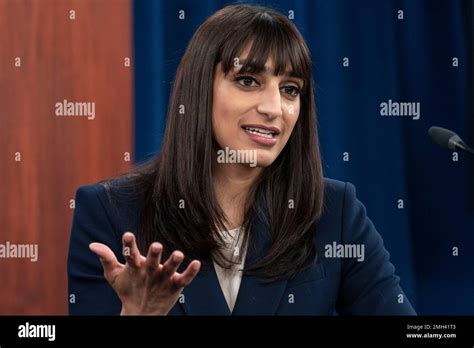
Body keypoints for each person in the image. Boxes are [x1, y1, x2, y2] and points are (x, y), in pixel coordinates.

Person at [67, 4, 416, 316]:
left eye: (290, 89)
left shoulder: (335, 213)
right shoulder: (110, 211)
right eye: (248, 81)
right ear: (199, 91)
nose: (273, 108)